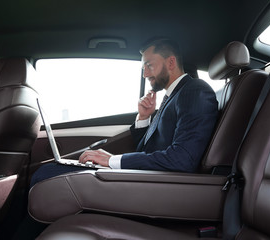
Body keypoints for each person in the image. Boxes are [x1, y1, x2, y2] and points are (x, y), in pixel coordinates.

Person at [30, 38, 218, 187]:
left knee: (46, 176)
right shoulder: (173, 95)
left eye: (149, 65)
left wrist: (112, 160)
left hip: (159, 186)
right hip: (147, 177)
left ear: (171, 62)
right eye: (144, 67)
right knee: (50, 171)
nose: (145, 74)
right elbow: (149, 148)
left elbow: (182, 160)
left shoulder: (195, 92)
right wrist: (144, 117)